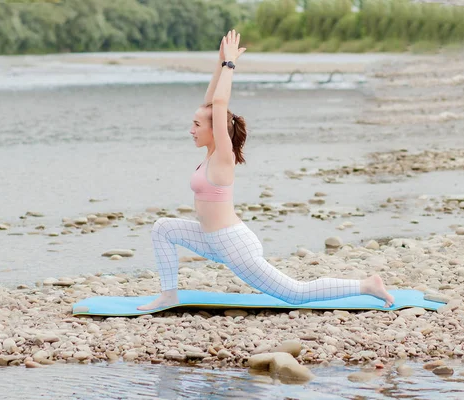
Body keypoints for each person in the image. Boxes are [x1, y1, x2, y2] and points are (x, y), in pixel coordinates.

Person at [137, 30, 394, 311]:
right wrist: (220, 61)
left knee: (296, 294)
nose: (191, 129)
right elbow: (212, 104)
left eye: (197, 125)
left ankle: (367, 285)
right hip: (210, 240)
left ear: (216, 130)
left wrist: (230, 65)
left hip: (233, 245)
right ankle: (168, 294)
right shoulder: (211, 152)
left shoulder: (223, 156)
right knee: (163, 228)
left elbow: (219, 106)